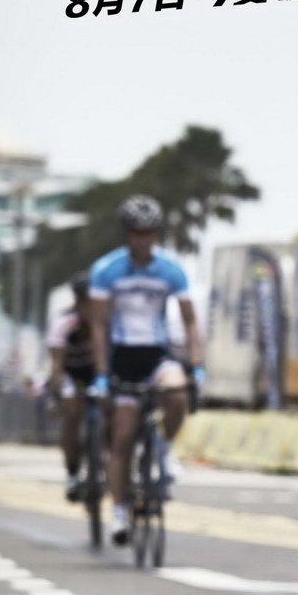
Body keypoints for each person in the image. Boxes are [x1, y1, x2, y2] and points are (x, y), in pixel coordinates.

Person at [86, 195, 203, 546]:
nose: (143, 239)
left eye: (150, 232)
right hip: (122, 357)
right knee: (122, 437)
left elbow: (190, 321)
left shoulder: (170, 269)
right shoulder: (106, 270)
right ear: (127, 233)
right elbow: (98, 326)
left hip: (156, 354)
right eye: (137, 232)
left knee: (176, 392)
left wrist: (197, 367)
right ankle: (119, 511)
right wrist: (101, 373)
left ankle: (164, 450)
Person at [45, 275, 100, 500]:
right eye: (85, 302)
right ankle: (72, 472)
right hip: (71, 374)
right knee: (73, 414)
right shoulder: (64, 324)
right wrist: (57, 395)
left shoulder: (106, 320)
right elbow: (57, 365)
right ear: (77, 302)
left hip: (96, 374)